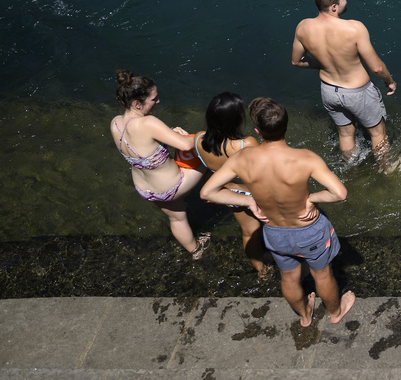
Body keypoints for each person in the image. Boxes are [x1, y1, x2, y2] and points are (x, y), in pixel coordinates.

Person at [202, 98, 355, 326]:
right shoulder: (305, 158)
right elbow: (339, 193)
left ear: (257, 130)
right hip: (308, 229)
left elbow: (208, 192)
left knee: (289, 277)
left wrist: (249, 202)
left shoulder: (241, 159)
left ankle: (304, 316)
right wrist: (312, 198)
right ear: (286, 125)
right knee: (322, 274)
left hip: (274, 231)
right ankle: (335, 313)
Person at [291, 0, 401, 164]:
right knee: (377, 133)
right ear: (334, 7)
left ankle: (352, 169)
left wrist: (321, 65)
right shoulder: (354, 28)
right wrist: (390, 81)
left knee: (345, 133)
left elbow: (297, 61)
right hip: (357, 92)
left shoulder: (303, 27)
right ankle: (386, 169)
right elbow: (377, 67)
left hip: (329, 91)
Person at [107, 71, 207, 259]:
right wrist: (207, 136)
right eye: (154, 99)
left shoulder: (115, 124)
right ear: (137, 104)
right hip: (171, 187)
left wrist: (169, 134)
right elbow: (186, 144)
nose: (158, 101)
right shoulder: (148, 122)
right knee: (208, 158)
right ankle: (218, 197)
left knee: (177, 217)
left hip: (146, 190)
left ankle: (196, 251)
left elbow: (142, 146)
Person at [188, 93, 266, 276]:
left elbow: (208, 167)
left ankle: (261, 269)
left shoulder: (199, 139)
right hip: (252, 193)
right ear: (236, 120)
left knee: (248, 232)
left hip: (228, 193)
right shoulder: (245, 143)